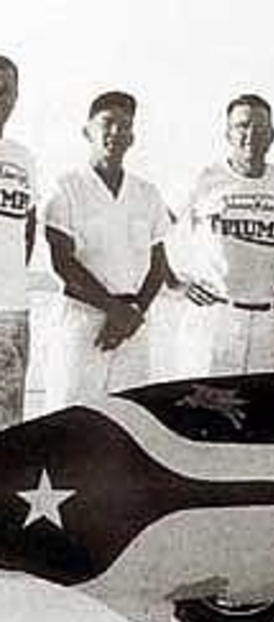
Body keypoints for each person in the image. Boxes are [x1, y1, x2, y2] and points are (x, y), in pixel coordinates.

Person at [164, 93, 274, 378]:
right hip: (215, 314)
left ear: (272, 135)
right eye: (242, 126)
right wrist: (173, 282)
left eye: (260, 127)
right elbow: (154, 229)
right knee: (205, 402)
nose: (251, 134)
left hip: (270, 319)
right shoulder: (204, 178)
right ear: (228, 133)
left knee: (263, 401)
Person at [44, 90, 170, 409]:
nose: (116, 132)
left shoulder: (147, 193)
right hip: (83, 320)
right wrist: (115, 311)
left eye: (125, 126)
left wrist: (134, 313)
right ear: (87, 131)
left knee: (127, 419)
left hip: (134, 324)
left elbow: (158, 267)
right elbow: (62, 263)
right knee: (72, 418)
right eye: (107, 123)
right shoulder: (66, 187)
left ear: (133, 137)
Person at [0, 55, 36, 428]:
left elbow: (29, 225)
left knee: (9, 425)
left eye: (5, 90)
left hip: (11, 309)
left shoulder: (22, 157)